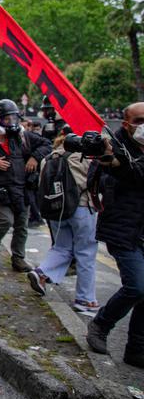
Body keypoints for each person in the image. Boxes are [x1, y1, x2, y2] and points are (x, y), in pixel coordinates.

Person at [85, 103, 144, 368]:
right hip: (122, 229)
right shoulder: (111, 148)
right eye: (140, 120)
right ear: (126, 122)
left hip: (140, 230)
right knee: (137, 286)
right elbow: (118, 173)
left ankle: (136, 349)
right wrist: (112, 161)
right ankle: (100, 325)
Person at [26, 128, 98, 314]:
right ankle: (85, 299)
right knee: (85, 252)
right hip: (82, 208)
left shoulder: (49, 158)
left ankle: (41, 272)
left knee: (61, 247)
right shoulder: (84, 158)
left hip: (56, 210)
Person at [0, 98, 50, 272]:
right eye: (7, 119)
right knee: (5, 220)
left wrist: (34, 157)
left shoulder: (23, 136)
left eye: (14, 118)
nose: (11, 122)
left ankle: (18, 258)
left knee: (21, 225)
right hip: (1, 188)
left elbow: (47, 145)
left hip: (22, 188)